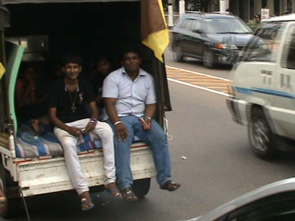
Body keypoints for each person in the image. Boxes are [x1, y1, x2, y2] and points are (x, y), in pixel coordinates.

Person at [103, 49, 180, 201]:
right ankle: (125, 185)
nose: (131, 61)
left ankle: (165, 179)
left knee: (159, 136)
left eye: (134, 58)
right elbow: (109, 103)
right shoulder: (113, 78)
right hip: (120, 117)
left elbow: (151, 104)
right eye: (127, 58)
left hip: (139, 117)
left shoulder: (148, 78)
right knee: (122, 139)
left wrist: (148, 119)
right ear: (122, 62)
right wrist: (117, 123)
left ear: (140, 60)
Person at [48, 53, 121, 211]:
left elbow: (94, 110)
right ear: (63, 69)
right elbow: (52, 117)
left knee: (107, 129)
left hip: (83, 121)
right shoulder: (55, 86)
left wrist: (92, 122)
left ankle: (110, 180)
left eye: (75, 67)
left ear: (80, 69)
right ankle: (83, 192)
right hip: (63, 125)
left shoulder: (85, 84)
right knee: (68, 144)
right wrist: (68, 129)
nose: (72, 70)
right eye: (69, 67)